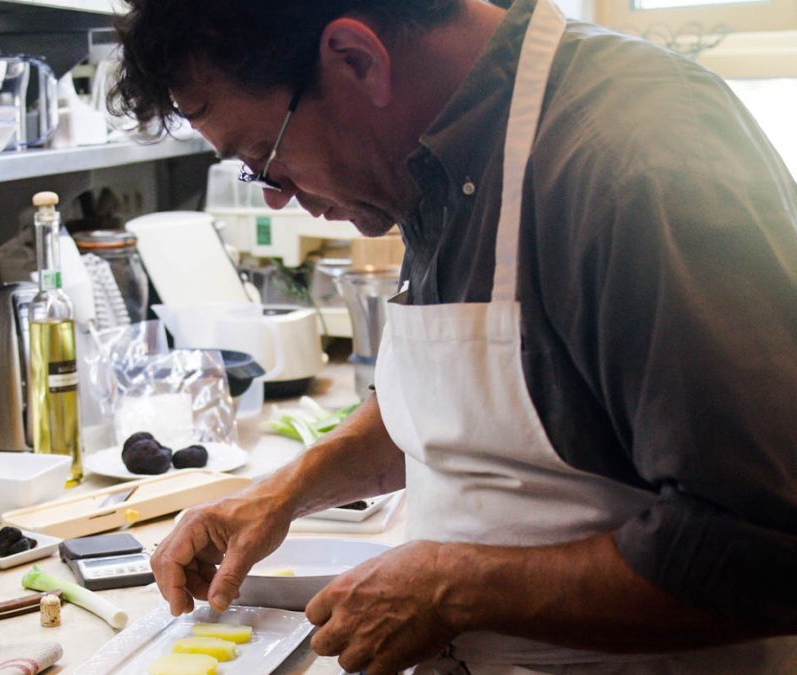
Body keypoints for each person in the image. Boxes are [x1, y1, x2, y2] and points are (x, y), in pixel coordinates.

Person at [110, 0, 797, 672]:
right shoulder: (434, 150)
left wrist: (451, 586)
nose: (273, 195)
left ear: (356, 59)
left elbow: (763, 549)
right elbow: (475, 407)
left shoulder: (636, 163)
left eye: (266, 155)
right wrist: (284, 492)